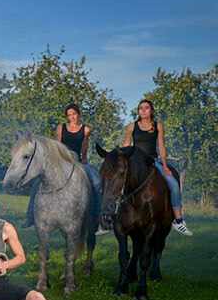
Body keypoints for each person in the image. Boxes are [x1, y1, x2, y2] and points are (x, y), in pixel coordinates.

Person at [22, 103, 108, 235]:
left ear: (78, 114)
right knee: (37, 182)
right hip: (62, 160)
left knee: (96, 181)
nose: (72, 117)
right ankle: (30, 216)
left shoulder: (86, 130)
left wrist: (84, 158)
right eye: (69, 115)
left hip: (78, 161)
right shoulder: (61, 127)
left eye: (74, 114)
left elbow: (85, 146)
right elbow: (58, 145)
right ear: (67, 116)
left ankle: (98, 215)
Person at [123, 99, 192, 236]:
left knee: (172, 183)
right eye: (141, 108)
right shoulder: (132, 126)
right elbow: (126, 146)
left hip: (153, 161)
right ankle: (111, 219)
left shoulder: (158, 126)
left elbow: (161, 147)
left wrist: (165, 166)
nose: (143, 110)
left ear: (151, 111)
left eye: (146, 108)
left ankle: (178, 221)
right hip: (135, 163)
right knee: (117, 183)